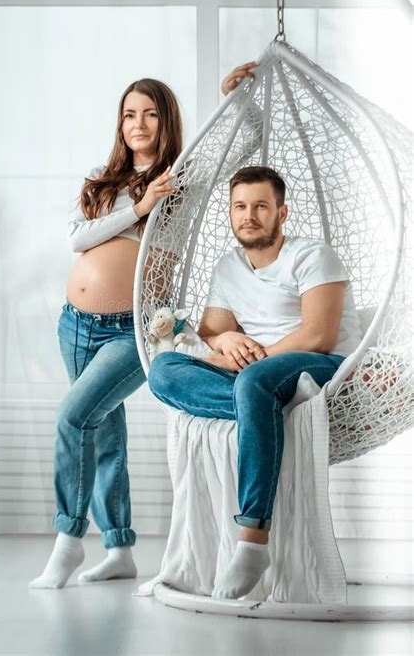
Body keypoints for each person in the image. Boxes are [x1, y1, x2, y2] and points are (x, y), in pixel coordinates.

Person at [30, 62, 258, 590]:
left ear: (166, 121)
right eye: (130, 114)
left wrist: (236, 98)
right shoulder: (106, 184)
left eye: (151, 114)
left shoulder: (183, 182)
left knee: (73, 417)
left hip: (135, 328)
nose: (139, 124)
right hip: (75, 326)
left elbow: (244, 144)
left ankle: (67, 541)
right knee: (102, 432)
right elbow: (76, 239)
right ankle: (119, 548)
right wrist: (138, 206)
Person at [148, 165, 362, 600]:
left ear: (281, 213)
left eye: (261, 206)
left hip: (322, 365)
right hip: (260, 375)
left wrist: (252, 365)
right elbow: (212, 330)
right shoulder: (228, 267)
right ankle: (257, 407)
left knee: (254, 383)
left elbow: (319, 334)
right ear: (230, 212)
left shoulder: (312, 255)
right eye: (240, 206)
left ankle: (252, 540)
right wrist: (225, 337)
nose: (249, 215)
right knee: (164, 369)